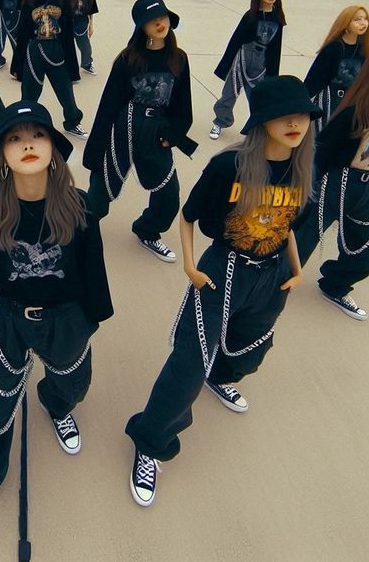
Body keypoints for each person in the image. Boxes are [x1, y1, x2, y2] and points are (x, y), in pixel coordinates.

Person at [125, 76, 320, 507]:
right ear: (263, 120)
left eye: (303, 114)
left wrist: (296, 269)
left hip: (272, 275)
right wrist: (191, 266)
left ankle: (223, 378)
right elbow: (189, 216)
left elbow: (288, 225)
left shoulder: (306, 168)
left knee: (251, 346)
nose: (295, 123)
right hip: (222, 272)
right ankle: (151, 441)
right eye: (284, 115)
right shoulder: (227, 166)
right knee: (189, 363)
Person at [0, 101, 113, 531]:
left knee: (73, 382)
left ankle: (56, 407)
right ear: (1, 153)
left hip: (66, 317)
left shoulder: (79, 208)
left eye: (38, 135)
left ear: (54, 148)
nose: (28, 145)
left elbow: (93, 272)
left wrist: (86, 324)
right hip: (7, 315)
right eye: (15, 138)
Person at [84, 0, 197, 263]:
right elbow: (109, 105)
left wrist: (173, 135)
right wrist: (97, 149)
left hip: (157, 133)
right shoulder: (128, 59)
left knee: (169, 195)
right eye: (151, 20)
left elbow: (183, 106)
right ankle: (81, 234)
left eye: (162, 17)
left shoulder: (178, 59)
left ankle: (147, 230)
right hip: (124, 127)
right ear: (141, 27)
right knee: (99, 191)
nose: (159, 23)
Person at [295, 44, 369, 320]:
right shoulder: (354, 111)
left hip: (368, 193)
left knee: (365, 252)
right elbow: (322, 151)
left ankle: (334, 285)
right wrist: (308, 185)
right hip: (334, 185)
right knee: (300, 241)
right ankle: (267, 287)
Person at [11, 0, 88, 138]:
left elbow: (68, 36)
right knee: (29, 93)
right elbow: (22, 35)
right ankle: (26, 124)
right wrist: (17, 65)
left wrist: (72, 67)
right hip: (34, 51)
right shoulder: (29, 1)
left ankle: (72, 122)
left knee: (66, 92)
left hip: (57, 51)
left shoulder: (62, 0)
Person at [209, 0, 286, 140]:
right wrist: (226, 65)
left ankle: (256, 128)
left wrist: (273, 75)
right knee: (230, 93)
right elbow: (236, 40)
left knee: (257, 96)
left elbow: (276, 49)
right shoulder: (251, 15)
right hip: (243, 57)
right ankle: (220, 121)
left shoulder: (277, 19)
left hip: (261, 61)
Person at [303, 5, 369, 133]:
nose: (363, 23)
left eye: (365, 18)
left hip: (352, 104)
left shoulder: (364, 50)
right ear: (346, 24)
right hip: (329, 102)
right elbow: (314, 79)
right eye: (357, 19)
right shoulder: (333, 48)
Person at [63, 0, 99, 75]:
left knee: (85, 47)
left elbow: (91, 10)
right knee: (67, 46)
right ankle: (67, 67)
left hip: (82, 24)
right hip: (68, 23)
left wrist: (91, 26)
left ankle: (87, 64)